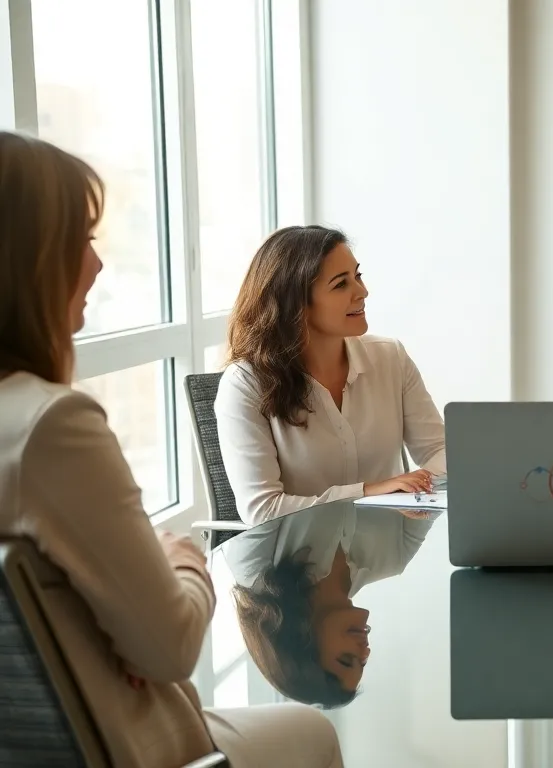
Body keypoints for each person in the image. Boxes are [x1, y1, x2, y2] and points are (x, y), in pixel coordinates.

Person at [0, 130, 342, 767]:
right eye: (83, 239)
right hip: (126, 742)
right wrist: (180, 557)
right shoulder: (50, 428)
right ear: (28, 258)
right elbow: (171, 645)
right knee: (314, 732)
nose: (97, 265)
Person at [216, 225, 447, 525]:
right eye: (341, 284)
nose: (362, 292)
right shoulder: (244, 385)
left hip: (385, 555)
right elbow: (262, 510)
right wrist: (368, 493)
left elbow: (441, 450)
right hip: (295, 563)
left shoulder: (390, 358)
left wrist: (415, 488)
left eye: (358, 276)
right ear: (295, 303)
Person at [225, 505, 438, 707]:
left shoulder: (254, 570)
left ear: (303, 643)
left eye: (346, 659)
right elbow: (438, 485)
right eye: (362, 663)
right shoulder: (394, 555)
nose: (365, 651)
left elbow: (259, 488)